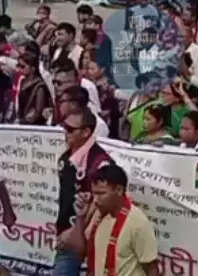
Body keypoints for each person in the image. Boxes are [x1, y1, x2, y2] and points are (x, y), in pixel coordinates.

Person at [54, 107, 112, 276]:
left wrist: (74, 232)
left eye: (71, 130)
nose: (66, 133)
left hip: (88, 237)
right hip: (65, 232)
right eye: (64, 128)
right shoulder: (66, 158)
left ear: (86, 132)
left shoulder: (100, 163)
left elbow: (101, 204)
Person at [86, 164, 160, 276]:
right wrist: (81, 216)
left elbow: (151, 268)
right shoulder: (98, 216)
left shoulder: (137, 221)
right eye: (94, 193)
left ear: (119, 190)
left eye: (101, 193)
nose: (95, 200)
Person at [14, 51, 53, 125]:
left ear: (33, 68)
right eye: (18, 65)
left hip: (35, 126)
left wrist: (25, 121)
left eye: (23, 66)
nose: (19, 69)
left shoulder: (40, 86)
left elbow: (38, 112)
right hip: (21, 122)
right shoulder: (22, 81)